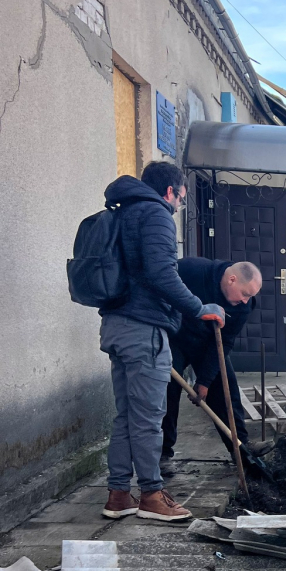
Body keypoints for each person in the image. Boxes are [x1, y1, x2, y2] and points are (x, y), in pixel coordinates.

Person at [98, 162, 225, 523]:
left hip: (116, 325)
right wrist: (200, 308)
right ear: (170, 191)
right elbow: (161, 274)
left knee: (126, 415)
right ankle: (152, 495)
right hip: (144, 329)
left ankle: (119, 494)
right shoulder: (155, 214)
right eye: (182, 197)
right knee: (150, 417)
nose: (180, 203)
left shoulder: (122, 212)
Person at [161, 258, 271, 476]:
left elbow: (225, 342)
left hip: (207, 343)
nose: (246, 300)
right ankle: (162, 454)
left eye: (250, 296)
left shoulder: (243, 306)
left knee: (225, 385)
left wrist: (204, 381)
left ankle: (240, 446)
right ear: (232, 279)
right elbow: (161, 286)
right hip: (174, 337)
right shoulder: (190, 270)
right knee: (166, 390)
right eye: (245, 293)